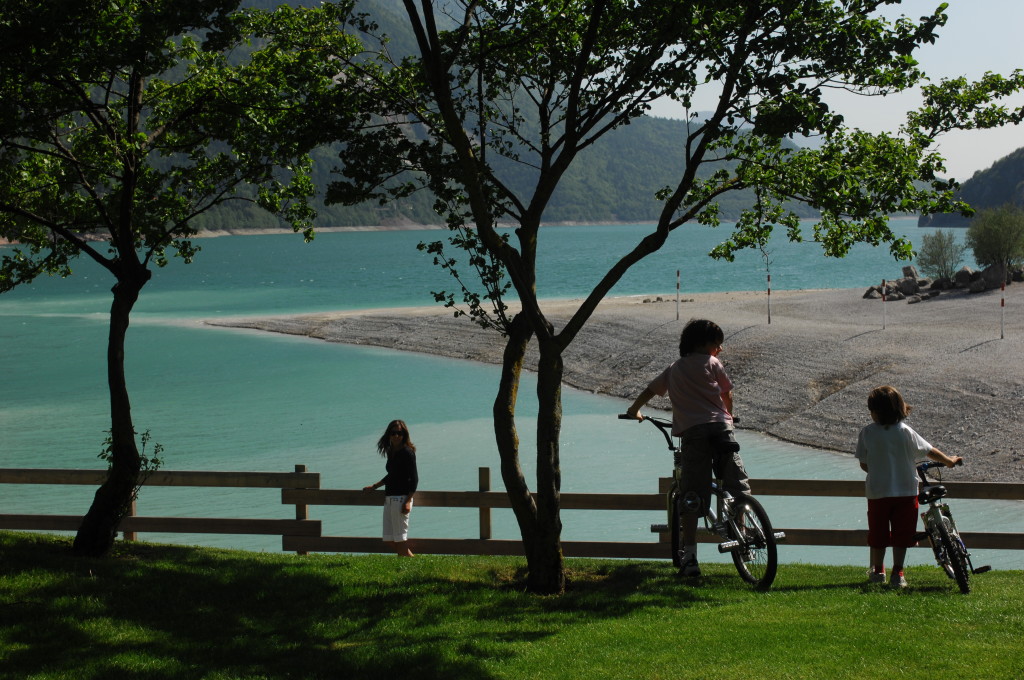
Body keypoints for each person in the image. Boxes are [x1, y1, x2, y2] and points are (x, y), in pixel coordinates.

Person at [625, 318, 750, 578]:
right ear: (703, 344)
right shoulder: (713, 364)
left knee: (692, 495)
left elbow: (650, 391)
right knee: (737, 485)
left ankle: (690, 558)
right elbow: (727, 394)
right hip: (722, 430)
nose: (720, 349)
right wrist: (728, 416)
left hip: (694, 434)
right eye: (717, 343)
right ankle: (744, 539)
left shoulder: (674, 369)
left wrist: (634, 410)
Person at [855, 385, 962, 588]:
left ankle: (878, 570)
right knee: (902, 535)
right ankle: (898, 572)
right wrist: (949, 461)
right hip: (905, 492)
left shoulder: (867, 433)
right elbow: (930, 451)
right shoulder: (905, 432)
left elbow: (863, 463)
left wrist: (879, 470)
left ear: (876, 412)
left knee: (878, 533)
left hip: (878, 493)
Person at [363, 419, 419, 557]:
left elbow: (414, 479)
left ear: (404, 435)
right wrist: (375, 486)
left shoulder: (408, 453)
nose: (396, 436)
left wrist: (408, 501)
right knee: (389, 539)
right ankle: (410, 562)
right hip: (389, 498)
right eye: (393, 433)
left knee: (400, 539)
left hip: (401, 499)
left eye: (399, 433)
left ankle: (408, 566)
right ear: (389, 434)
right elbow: (392, 476)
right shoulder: (392, 452)